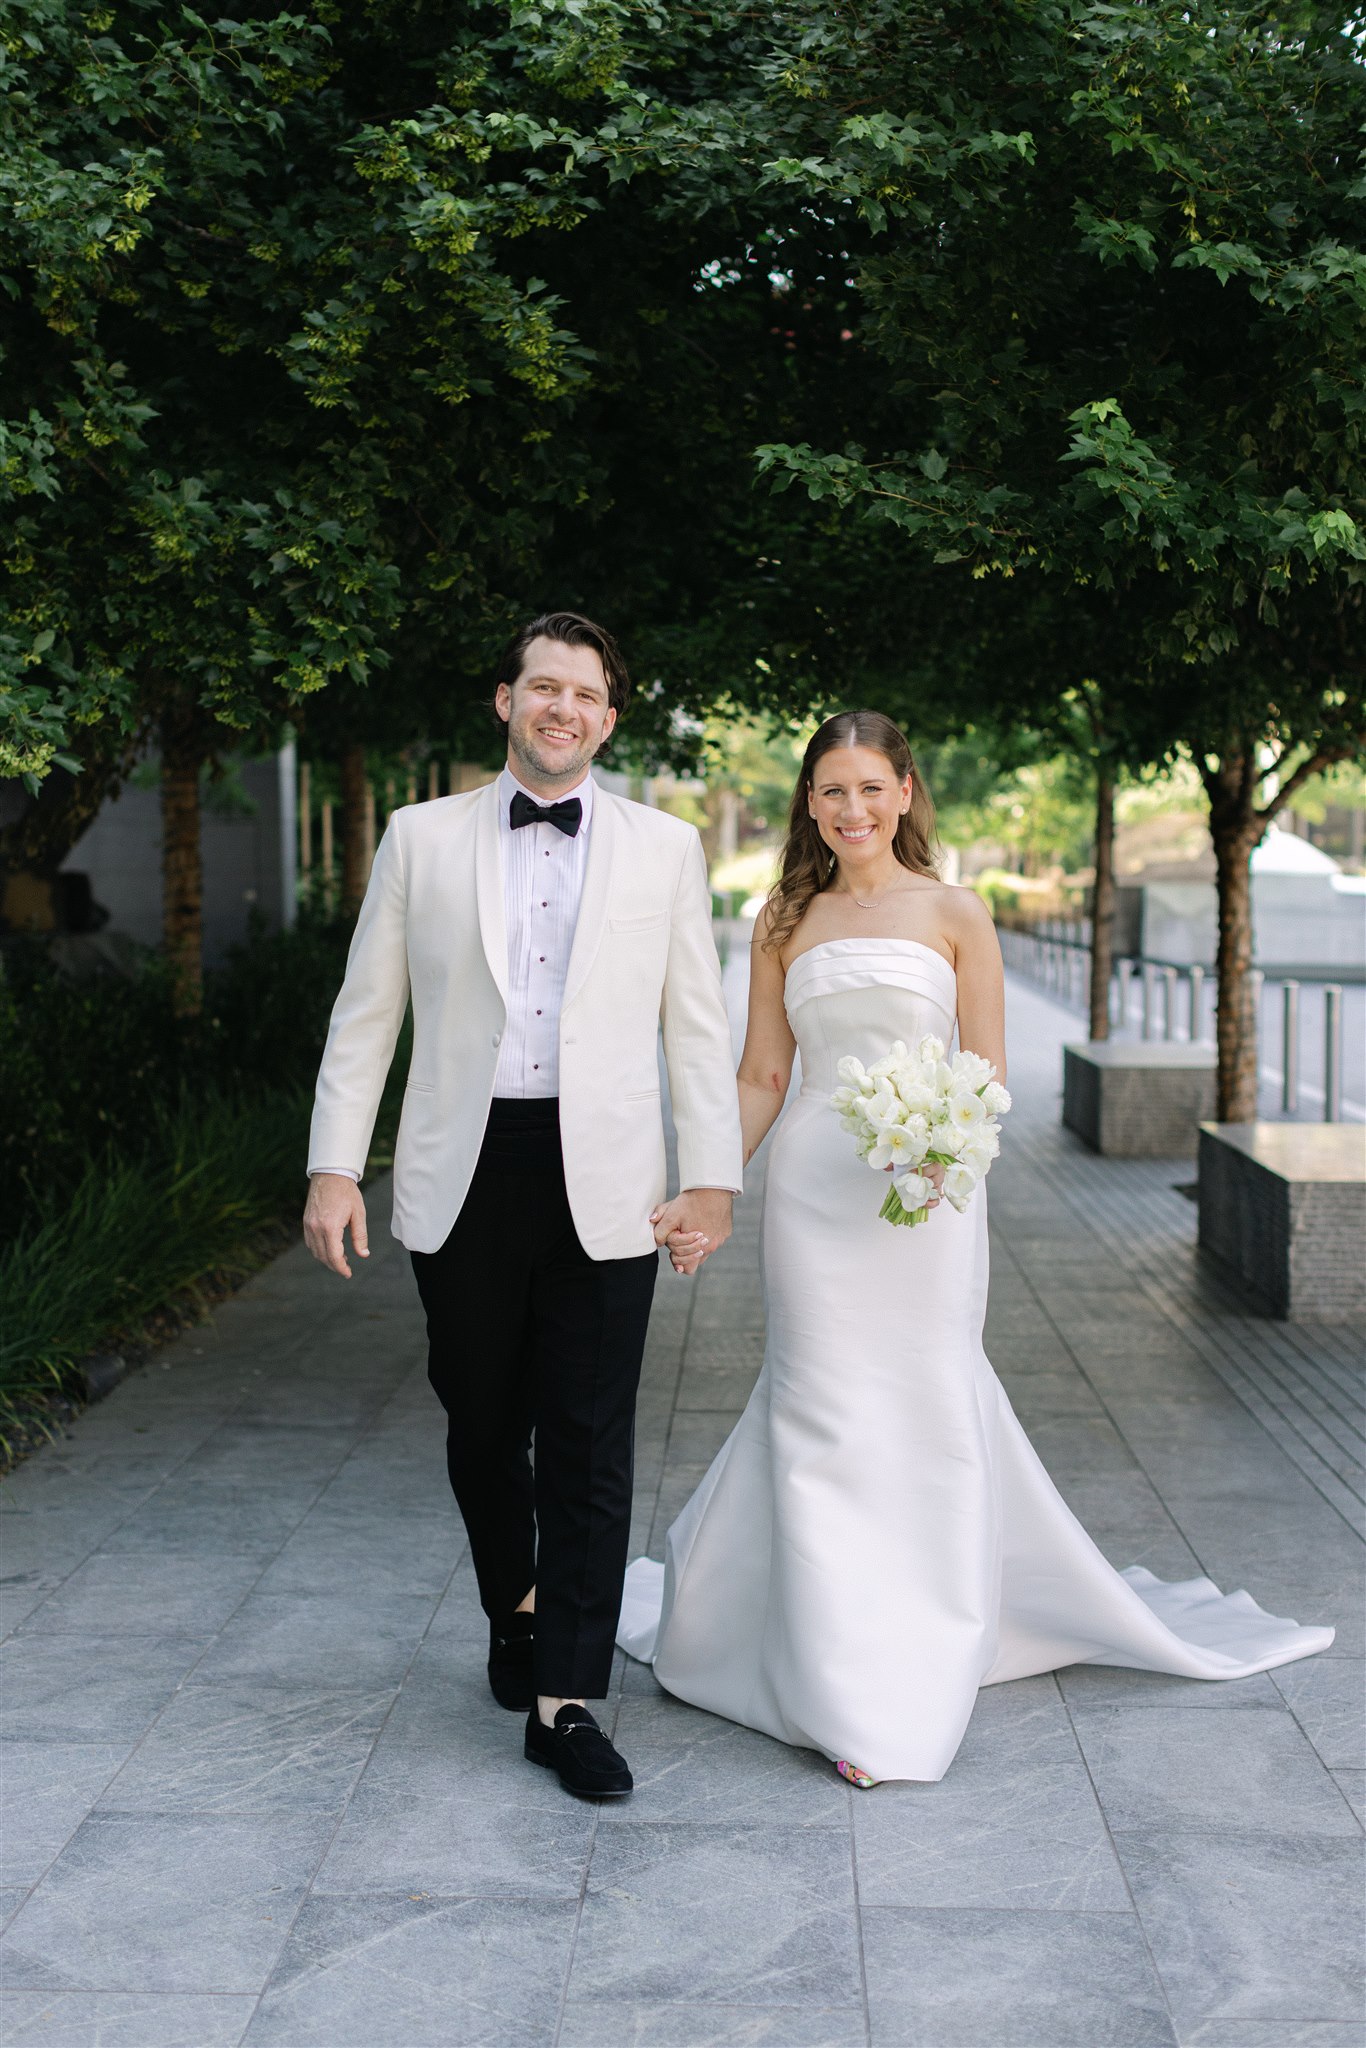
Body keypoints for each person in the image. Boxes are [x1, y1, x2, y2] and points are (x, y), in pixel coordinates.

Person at [624, 709, 1334, 1785]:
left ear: (906, 790)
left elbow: (989, 1068)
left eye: (869, 786)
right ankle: (835, 1676)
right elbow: (763, 1075)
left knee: (923, 1405)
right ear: (808, 804)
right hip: (817, 1195)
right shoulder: (781, 919)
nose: (850, 808)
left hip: (929, 1196)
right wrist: (710, 1188)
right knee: (817, 1409)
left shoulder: (958, 912)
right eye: (829, 790)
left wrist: (943, 1150)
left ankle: (915, 1652)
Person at [303, 611, 742, 1799]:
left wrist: (711, 1175)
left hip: (607, 1178)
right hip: (464, 1168)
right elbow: (367, 1013)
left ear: (610, 716)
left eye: (585, 694)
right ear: (505, 701)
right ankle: (517, 1602)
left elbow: (695, 1027)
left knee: (591, 1443)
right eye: (542, 687)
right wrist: (335, 1164)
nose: (563, 709)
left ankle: (568, 1700)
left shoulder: (665, 846)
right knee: (483, 1420)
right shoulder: (419, 836)